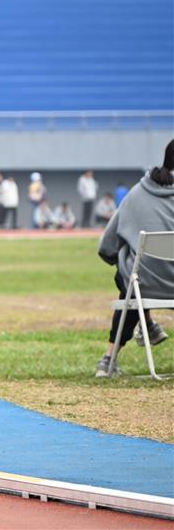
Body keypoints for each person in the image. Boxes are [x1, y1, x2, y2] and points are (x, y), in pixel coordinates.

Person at [95, 139, 173, 378]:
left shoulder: (136, 194)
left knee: (130, 279)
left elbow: (106, 247)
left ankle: (108, 359)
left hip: (144, 286)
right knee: (132, 280)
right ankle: (146, 325)